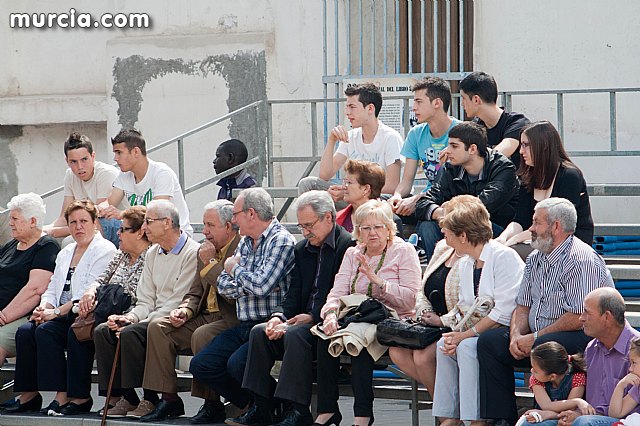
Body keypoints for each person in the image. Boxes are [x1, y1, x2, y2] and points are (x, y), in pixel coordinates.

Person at [477, 198, 615, 425]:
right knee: (490, 342)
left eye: (536, 223)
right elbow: (522, 305)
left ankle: (542, 418)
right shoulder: (534, 258)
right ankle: (501, 418)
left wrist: (535, 337)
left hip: (583, 336)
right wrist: (516, 336)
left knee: (545, 344)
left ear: (556, 227)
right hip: (539, 335)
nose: (530, 228)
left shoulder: (581, 260)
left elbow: (578, 316)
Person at [189, 187, 296, 422]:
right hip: (244, 323)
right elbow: (230, 288)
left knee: (238, 365)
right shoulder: (247, 242)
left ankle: (266, 408)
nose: (234, 219)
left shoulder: (281, 240)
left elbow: (259, 286)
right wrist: (243, 279)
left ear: (250, 213)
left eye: (235, 213)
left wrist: (233, 268)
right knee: (202, 365)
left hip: (270, 325)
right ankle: (265, 404)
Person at [314, 200, 421, 426]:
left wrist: (378, 282)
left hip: (393, 318)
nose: (372, 233)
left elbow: (411, 298)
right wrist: (331, 314)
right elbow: (337, 292)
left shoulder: (403, 251)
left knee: (359, 341)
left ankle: (362, 416)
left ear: (389, 228)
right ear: (358, 230)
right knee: (325, 337)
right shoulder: (353, 253)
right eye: (366, 228)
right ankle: (327, 410)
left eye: (378, 227)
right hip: (357, 316)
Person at [93, 200, 199, 420]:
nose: (145, 228)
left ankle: (150, 398)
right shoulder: (152, 254)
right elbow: (145, 299)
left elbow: (178, 300)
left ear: (167, 223)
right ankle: (128, 396)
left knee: (133, 333)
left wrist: (138, 323)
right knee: (104, 330)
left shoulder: (191, 252)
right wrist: (129, 317)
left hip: (177, 318)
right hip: (153, 316)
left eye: (149, 222)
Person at [8, 200, 116, 414]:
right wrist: (43, 307)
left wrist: (54, 313)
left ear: (95, 223)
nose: (78, 227)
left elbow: (86, 293)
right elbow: (52, 287)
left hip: (84, 314)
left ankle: (72, 396)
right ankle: (28, 395)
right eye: (73, 222)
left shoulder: (104, 250)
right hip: (58, 313)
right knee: (25, 331)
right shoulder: (66, 251)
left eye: (84, 221)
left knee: (47, 331)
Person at [138, 200, 241, 424]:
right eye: (204, 225)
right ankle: (168, 399)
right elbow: (195, 293)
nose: (204, 231)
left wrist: (211, 262)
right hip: (203, 315)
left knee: (202, 334)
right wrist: (184, 310)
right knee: (159, 327)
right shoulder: (205, 249)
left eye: (210, 226)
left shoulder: (240, 249)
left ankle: (211, 404)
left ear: (228, 226)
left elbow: (231, 294)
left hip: (230, 317)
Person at [431, 195, 524, 426]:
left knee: (468, 347)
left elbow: (503, 311)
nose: (443, 235)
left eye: (447, 231)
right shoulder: (466, 263)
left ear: (463, 235)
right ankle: (450, 416)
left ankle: (476, 418)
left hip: (507, 329)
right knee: (444, 344)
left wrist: (465, 334)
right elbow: (465, 306)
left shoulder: (504, 257)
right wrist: (455, 331)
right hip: (480, 328)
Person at [65, 206, 151, 415]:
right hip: (110, 309)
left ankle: (128, 396)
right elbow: (101, 279)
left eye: (123, 230)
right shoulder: (121, 254)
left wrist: (113, 303)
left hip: (136, 312)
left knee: (104, 329)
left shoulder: (150, 256)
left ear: (140, 232)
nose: (118, 234)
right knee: (76, 328)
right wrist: (91, 292)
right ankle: (86, 397)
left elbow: (138, 293)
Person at [388, 197, 468, 399]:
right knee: (397, 352)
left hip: (457, 324)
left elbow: (471, 303)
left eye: (446, 224)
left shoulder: (474, 255)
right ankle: (449, 405)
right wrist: (425, 312)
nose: (441, 229)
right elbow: (422, 289)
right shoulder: (442, 247)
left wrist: (442, 320)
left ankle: (446, 414)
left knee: (423, 357)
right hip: (431, 322)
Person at [414, 122, 519, 260]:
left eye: (454, 146)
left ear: (472, 149)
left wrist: (451, 209)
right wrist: (442, 212)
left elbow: (480, 208)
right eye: (448, 144)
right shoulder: (451, 168)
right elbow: (423, 203)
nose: (447, 151)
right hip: (457, 226)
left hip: (494, 229)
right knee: (427, 225)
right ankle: (439, 270)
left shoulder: (502, 168)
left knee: (468, 224)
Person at [298, 83, 403, 204]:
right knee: (308, 184)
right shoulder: (351, 136)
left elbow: (392, 186)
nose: (347, 112)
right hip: (352, 198)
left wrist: (350, 193)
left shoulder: (391, 138)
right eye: (346, 107)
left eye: (352, 107)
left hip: (378, 202)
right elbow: (324, 175)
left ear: (370, 109)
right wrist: (332, 140)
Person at [496, 121, 594, 252]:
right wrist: (503, 238)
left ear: (543, 146)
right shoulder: (528, 177)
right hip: (538, 240)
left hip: (568, 243)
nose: (520, 151)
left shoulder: (569, 175)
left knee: (512, 253)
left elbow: (559, 225)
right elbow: (520, 219)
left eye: (525, 145)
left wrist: (516, 239)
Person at [388, 77, 460, 253]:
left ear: (437, 103)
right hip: (426, 199)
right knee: (381, 206)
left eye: (419, 102)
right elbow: (406, 182)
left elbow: (457, 184)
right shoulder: (416, 134)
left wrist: (418, 199)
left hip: (451, 200)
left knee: (427, 226)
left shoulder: (461, 132)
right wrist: (396, 197)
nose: (414, 108)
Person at [556, 288, 640, 426]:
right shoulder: (591, 348)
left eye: (587, 312)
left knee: (584, 423)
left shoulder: (637, 349)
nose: (581, 318)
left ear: (607, 316)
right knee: (532, 423)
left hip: (625, 421)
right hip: (590, 416)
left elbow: (621, 413)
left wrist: (581, 417)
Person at [0, 193, 60, 367]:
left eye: (15, 218)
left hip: (22, 316)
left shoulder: (46, 246)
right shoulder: (11, 245)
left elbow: (35, 290)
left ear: (32, 221)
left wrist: (3, 316)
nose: (10, 223)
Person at [98, 128, 193, 235]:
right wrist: (99, 209)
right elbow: (110, 202)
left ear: (136, 152)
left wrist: (123, 214)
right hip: (144, 232)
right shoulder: (124, 174)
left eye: (119, 153)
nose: (115, 158)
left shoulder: (162, 173)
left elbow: (157, 212)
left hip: (173, 234)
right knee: (100, 222)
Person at [43, 132, 124, 246]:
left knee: (69, 242)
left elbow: (96, 221)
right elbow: (63, 218)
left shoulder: (106, 173)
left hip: (115, 230)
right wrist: (40, 231)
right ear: (67, 161)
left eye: (84, 159)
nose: (80, 167)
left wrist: (53, 232)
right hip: (87, 227)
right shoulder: (70, 175)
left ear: (93, 156)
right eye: (74, 162)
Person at [459, 71, 530, 168]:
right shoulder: (474, 127)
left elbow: (501, 153)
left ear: (476, 99)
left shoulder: (517, 122)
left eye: (463, 98)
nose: (462, 104)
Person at [519, 342, 591, 425]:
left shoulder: (577, 377)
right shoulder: (536, 379)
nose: (531, 371)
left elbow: (570, 409)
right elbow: (546, 405)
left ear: (552, 376)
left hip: (567, 418)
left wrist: (551, 415)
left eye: (535, 370)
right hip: (544, 415)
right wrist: (577, 401)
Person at [336, 159, 386, 233]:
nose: (344, 187)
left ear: (366, 189)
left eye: (349, 182)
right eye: (344, 181)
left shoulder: (387, 219)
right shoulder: (338, 219)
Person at [608, 338, 640, 421]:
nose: (630, 369)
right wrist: (620, 385)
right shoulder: (638, 387)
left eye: (634, 362)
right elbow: (615, 414)